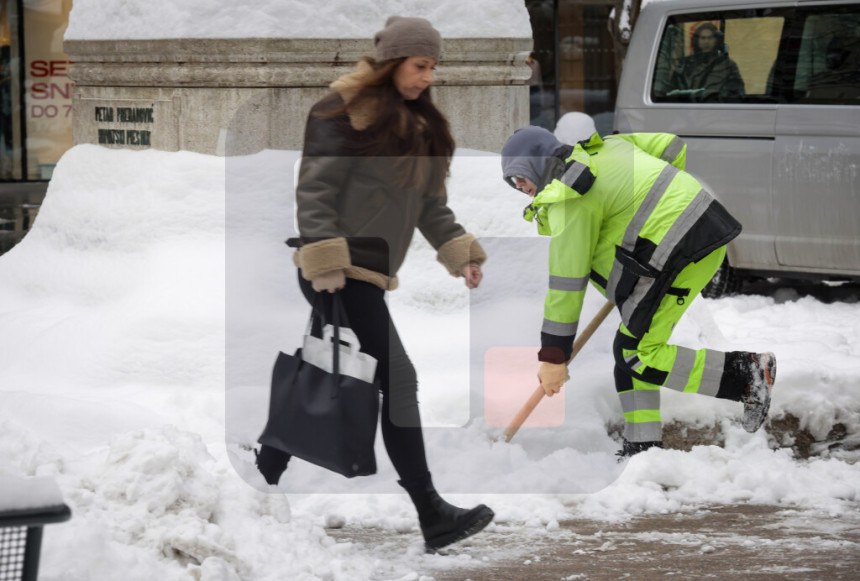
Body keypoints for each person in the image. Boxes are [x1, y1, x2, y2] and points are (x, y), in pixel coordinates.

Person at [255, 16, 494, 551]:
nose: (428, 77)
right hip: (339, 272)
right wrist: (325, 262)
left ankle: (264, 469)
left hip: (365, 274)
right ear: (391, 63)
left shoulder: (419, 123)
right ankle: (432, 512)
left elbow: (429, 204)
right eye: (419, 65)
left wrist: (458, 253)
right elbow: (314, 191)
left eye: (433, 67)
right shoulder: (341, 113)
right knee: (398, 380)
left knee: (322, 369)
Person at [500, 125, 776, 458]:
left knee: (638, 354)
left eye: (519, 176)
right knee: (628, 349)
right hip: (701, 227)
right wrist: (648, 205)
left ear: (536, 162)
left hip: (676, 251)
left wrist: (553, 357)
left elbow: (566, 284)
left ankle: (747, 375)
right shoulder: (607, 147)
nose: (519, 187)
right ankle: (643, 446)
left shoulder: (570, 197)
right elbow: (671, 146)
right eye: (512, 184)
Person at [668, 22, 745, 102]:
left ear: (716, 40)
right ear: (697, 40)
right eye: (703, 38)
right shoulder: (685, 64)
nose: (706, 42)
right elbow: (674, 91)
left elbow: (736, 92)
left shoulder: (728, 65)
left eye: (710, 38)